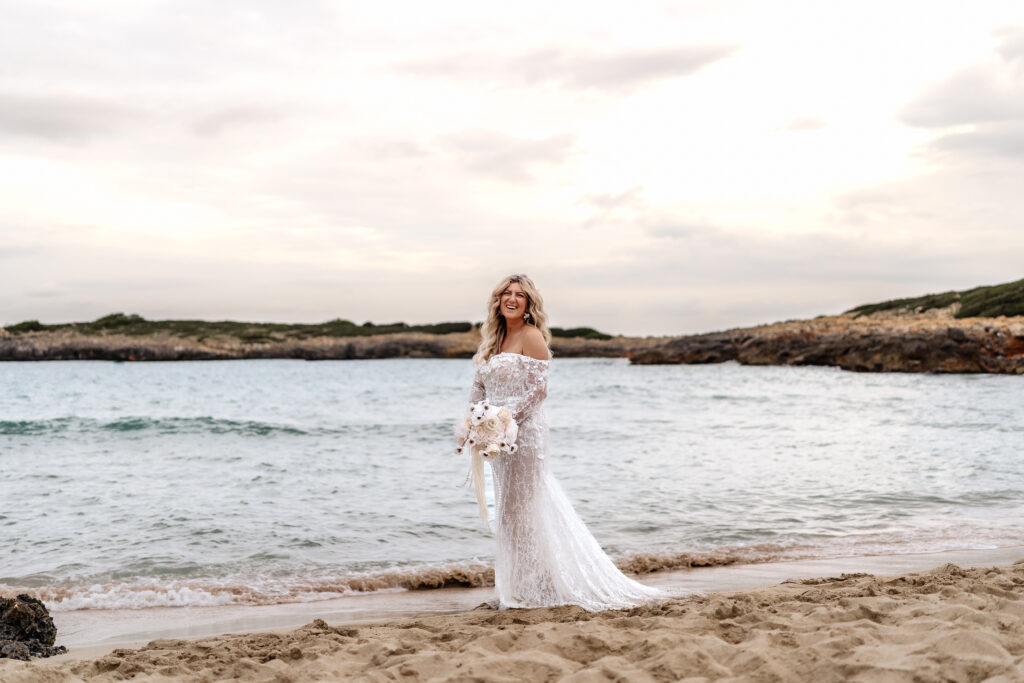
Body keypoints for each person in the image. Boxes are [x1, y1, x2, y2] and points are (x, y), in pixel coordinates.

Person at [459, 273, 663, 611]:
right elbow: (479, 388)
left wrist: (504, 421)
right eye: (505, 294)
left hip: (525, 435)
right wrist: (475, 422)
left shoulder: (531, 335)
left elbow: (539, 391)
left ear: (528, 305)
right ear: (497, 301)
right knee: (508, 512)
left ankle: (542, 587)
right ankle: (517, 587)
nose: (511, 299)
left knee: (525, 510)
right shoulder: (492, 343)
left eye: (519, 295)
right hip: (498, 439)